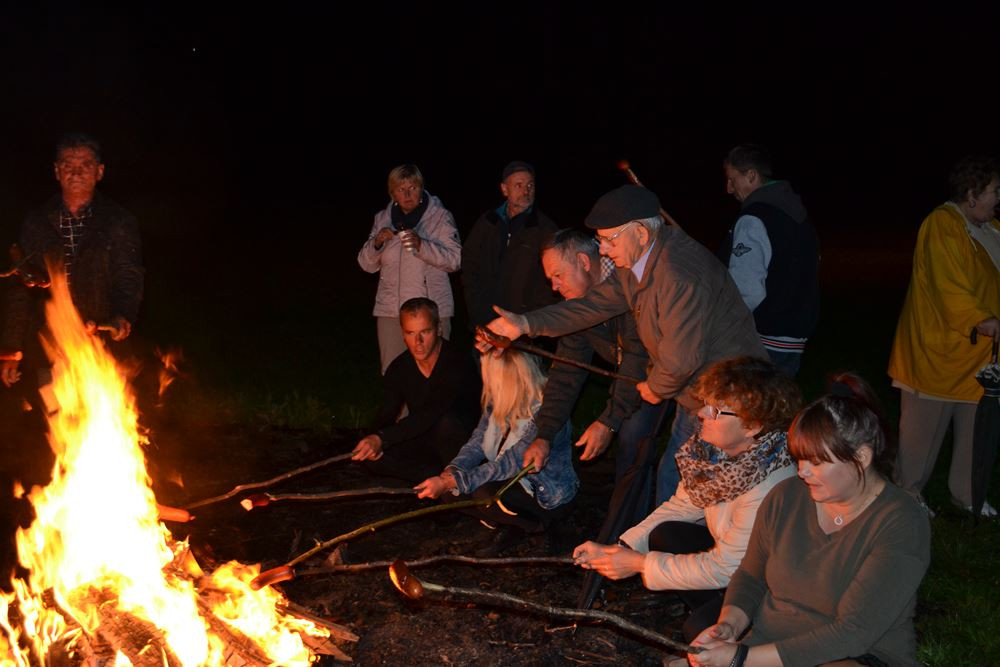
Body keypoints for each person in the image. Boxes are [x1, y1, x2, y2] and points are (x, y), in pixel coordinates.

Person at [483, 185, 765, 504]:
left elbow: (680, 359)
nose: (601, 250)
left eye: (607, 239)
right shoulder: (634, 269)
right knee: (682, 481)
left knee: (702, 486)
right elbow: (590, 307)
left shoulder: (676, 275)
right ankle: (665, 544)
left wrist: (654, 388)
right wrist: (525, 324)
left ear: (641, 234)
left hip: (731, 396)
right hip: (697, 391)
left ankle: (688, 548)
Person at [688, 374, 931, 667]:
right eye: (799, 458)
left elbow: (853, 632)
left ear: (862, 458)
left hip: (853, 656)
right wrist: (729, 626)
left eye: (815, 462)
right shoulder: (786, 497)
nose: (801, 472)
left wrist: (742, 658)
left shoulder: (900, 522)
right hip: (770, 645)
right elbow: (751, 576)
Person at [572, 357, 800, 643]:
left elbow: (726, 568)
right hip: (737, 569)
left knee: (700, 632)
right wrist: (617, 550)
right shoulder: (713, 457)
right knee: (666, 534)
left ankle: (747, 635)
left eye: (716, 411)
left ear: (752, 426)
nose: (702, 413)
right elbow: (681, 505)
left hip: (773, 589)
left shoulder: (770, 485)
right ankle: (715, 611)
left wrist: (640, 564)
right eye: (705, 402)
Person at [526, 228, 663, 526]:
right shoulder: (579, 305)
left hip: (670, 371)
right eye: (551, 279)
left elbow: (637, 360)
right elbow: (566, 371)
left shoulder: (630, 286)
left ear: (584, 262)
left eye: (558, 275)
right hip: (636, 375)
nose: (554, 286)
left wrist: (608, 421)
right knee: (630, 435)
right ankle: (630, 522)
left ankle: (634, 531)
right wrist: (544, 435)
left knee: (633, 435)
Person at [888, 155, 1000, 517]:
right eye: (994, 191)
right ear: (972, 193)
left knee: (974, 429)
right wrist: (981, 319)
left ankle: (968, 494)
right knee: (922, 433)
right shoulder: (941, 224)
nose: (998, 198)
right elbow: (946, 284)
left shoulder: (991, 229)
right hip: (935, 354)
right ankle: (908, 493)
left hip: (978, 357)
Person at [2, 132, 143, 389]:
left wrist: (122, 315)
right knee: (59, 422)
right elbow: (20, 287)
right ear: (56, 171)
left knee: (107, 419)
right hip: (50, 344)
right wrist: (11, 349)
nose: (76, 172)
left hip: (102, 344)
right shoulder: (37, 222)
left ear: (99, 171)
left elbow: (128, 275)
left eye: (85, 165)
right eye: (68, 165)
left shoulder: (118, 221)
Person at [416, 349, 578, 557]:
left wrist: (452, 481)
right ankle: (509, 524)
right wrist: (452, 470)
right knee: (453, 491)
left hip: (546, 495)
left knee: (483, 493)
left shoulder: (546, 413)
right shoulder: (499, 403)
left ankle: (539, 527)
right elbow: (476, 443)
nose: (488, 385)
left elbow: (508, 464)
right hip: (511, 484)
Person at [351, 298, 481, 483]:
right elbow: (386, 414)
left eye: (425, 332)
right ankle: (435, 480)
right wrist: (371, 439)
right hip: (426, 437)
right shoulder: (399, 368)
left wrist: (383, 438)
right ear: (403, 334)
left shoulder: (457, 361)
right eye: (410, 333)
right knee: (374, 455)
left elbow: (433, 411)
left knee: (446, 424)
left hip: (466, 441)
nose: (418, 342)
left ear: (438, 329)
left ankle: (457, 480)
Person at [720, 144, 820, 377]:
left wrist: (722, 326)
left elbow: (747, 290)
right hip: (793, 336)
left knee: (747, 411)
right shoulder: (797, 214)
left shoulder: (754, 218)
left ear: (751, 175)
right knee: (774, 410)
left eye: (732, 179)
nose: (728, 188)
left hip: (763, 339)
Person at [358, 164, 461, 373]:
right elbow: (366, 264)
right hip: (391, 312)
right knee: (394, 374)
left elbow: (455, 260)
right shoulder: (382, 219)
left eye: (412, 188)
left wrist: (422, 245)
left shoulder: (440, 217)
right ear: (392, 193)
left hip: (430, 311)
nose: (407, 194)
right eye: (400, 189)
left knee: (432, 375)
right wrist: (377, 243)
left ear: (421, 188)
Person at [461, 161, 558, 328]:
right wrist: (476, 308)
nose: (526, 191)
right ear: (504, 189)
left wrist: (532, 320)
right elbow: (469, 264)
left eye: (530, 185)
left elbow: (554, 279)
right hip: (485, 321)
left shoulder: (545, 229)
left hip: (523, 327)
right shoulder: (487, 222)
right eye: (518, 185)